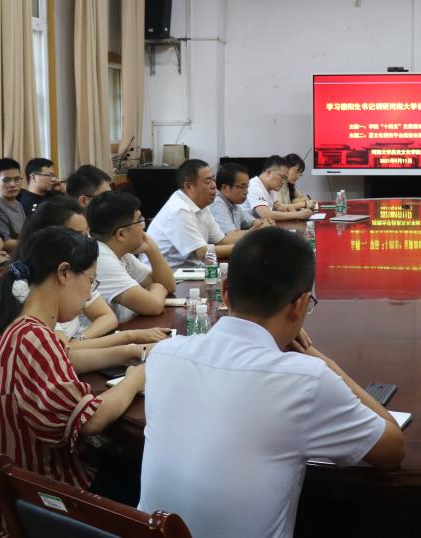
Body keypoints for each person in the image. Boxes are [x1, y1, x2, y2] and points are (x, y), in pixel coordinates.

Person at [139, 228, 405, 537]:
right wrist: (324, 363)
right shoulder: (307, 380)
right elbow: (392, 450)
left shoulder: (164, 355)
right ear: (300, 304)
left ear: (225, 290)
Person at [0, 227, 146, 511]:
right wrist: (135, 379)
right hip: (40, 501)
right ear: (64, 273)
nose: (89, 293)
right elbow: (91, 421)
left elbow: (65, 359)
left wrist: (130, 348)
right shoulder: (33, 337)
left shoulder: (18, 324)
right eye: (90, 280)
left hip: (18, 491)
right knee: (146, 476)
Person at [16, 197, 169, 369]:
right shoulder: (32, 287)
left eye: (87, 233)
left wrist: (130, 340)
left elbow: (107, 318)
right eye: (78, 235)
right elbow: (64, 352)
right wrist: (131, 346)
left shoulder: (77, 269)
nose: (88, 240)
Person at [88, 191, 176, 323]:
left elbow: (168, 286)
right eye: (140, 221)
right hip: (98, 335)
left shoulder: (120, 251)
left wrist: (152, 250)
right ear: (121, 234)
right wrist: (157, 287)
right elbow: (154, 306)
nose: (143, 226)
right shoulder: (101, 258)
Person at [147, 159, 242, 268]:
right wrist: (243, 247)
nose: (214, 186)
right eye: (208, 182)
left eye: (213, 180)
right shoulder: (179, 210)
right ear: (188, 186)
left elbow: (222, 241)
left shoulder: (201, 204)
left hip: (190, 270)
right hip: (167, 275)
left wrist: (253, 239)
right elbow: (203, 253)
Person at [209, 162, 274, 234]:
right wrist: (259, 230)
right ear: (225, 187)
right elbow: (231, 236)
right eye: (242, 186)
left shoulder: (234, 204)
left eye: (247, 186)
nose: (246, 192)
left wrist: (264, 222)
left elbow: (253, 221)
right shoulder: (216, 204)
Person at [244, 156, 313, 222]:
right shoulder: (255, 186)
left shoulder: (269, 188)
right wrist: (297, 214)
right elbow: (266, 214)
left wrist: (288, 210)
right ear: (269, 172)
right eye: (283, 177)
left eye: (285, 179)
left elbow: (279, 207)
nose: (284, 182)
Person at [0, 157, 27, 252]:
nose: (12, 184)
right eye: (6, 180)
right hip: (8, 257)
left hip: (22, 251)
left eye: (17, 179)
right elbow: (4, 243)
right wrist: (32, 242)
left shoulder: (17, 203)